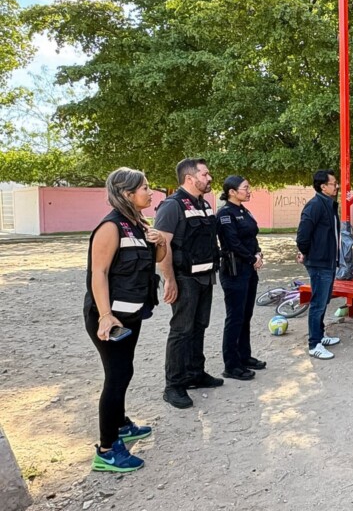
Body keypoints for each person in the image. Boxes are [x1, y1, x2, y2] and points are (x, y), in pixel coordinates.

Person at [85, 168, 165, 472]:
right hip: (109, 317)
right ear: (127, 194)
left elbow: (157, 259)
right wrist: (105, 316)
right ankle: (106, 450)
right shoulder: (110, 227)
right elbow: (99, 273)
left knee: (125, 369)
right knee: (116, 376)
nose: (151, 192)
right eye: (145, 188)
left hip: (131, 314)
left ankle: (120, 425)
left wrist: (160, 241)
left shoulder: (139, 224)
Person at [156, 158, 223, 409]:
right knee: (181, 331)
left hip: (205, 276)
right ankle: (173, 385)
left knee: (199, 327)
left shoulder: (203, 204)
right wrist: (169, 280)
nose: (209, 178)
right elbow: (163, 246)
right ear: (189, 178)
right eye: (205, 174)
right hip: (184, 279)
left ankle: (195, 373)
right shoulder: (172, 206)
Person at [216, 175, 265, 382]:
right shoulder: (225, 214)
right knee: (235, 317)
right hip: (234, 270)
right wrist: (252, 258)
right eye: (245, 188)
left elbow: (251, 237)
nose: (249, 191)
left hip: (249, 269)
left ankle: (244, 356)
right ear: (232, 192)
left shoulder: (243, 211)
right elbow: (232, 242)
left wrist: (258, 253)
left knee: (246, 315)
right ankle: (231, 365)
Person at [296, 170, 342, 360]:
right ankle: (314, 344)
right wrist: (307, 253)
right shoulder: (315, 206)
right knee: (318, 303)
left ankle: (320, 335)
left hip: (328, 261)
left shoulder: (329, 204)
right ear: (323, 187)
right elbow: (303, 235)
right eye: (333, 183)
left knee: (323, 301)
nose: (336, 186)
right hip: (319, 262)